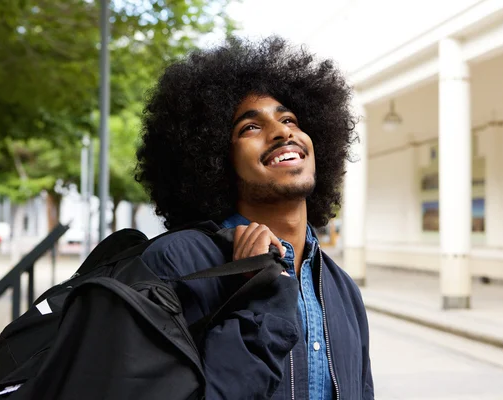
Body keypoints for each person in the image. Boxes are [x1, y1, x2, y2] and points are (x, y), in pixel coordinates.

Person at [135, 36, 374, 400]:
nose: (282, 132)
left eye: (289, 119)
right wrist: (258, 300)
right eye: (250, 127)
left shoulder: (343, 290)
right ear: (213, 159)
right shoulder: (176, 263)